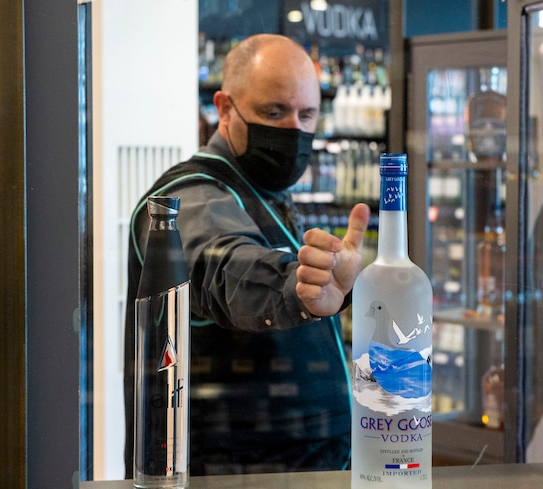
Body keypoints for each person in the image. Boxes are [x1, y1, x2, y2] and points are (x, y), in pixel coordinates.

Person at [123, 34, 370, 476]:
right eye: (273, 112)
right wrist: (295, 288)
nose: (294, 129)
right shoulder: (188, 197)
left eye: (306, 114)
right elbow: (224, 265)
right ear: (224, 108)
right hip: (229, 472)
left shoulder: (263, 193)